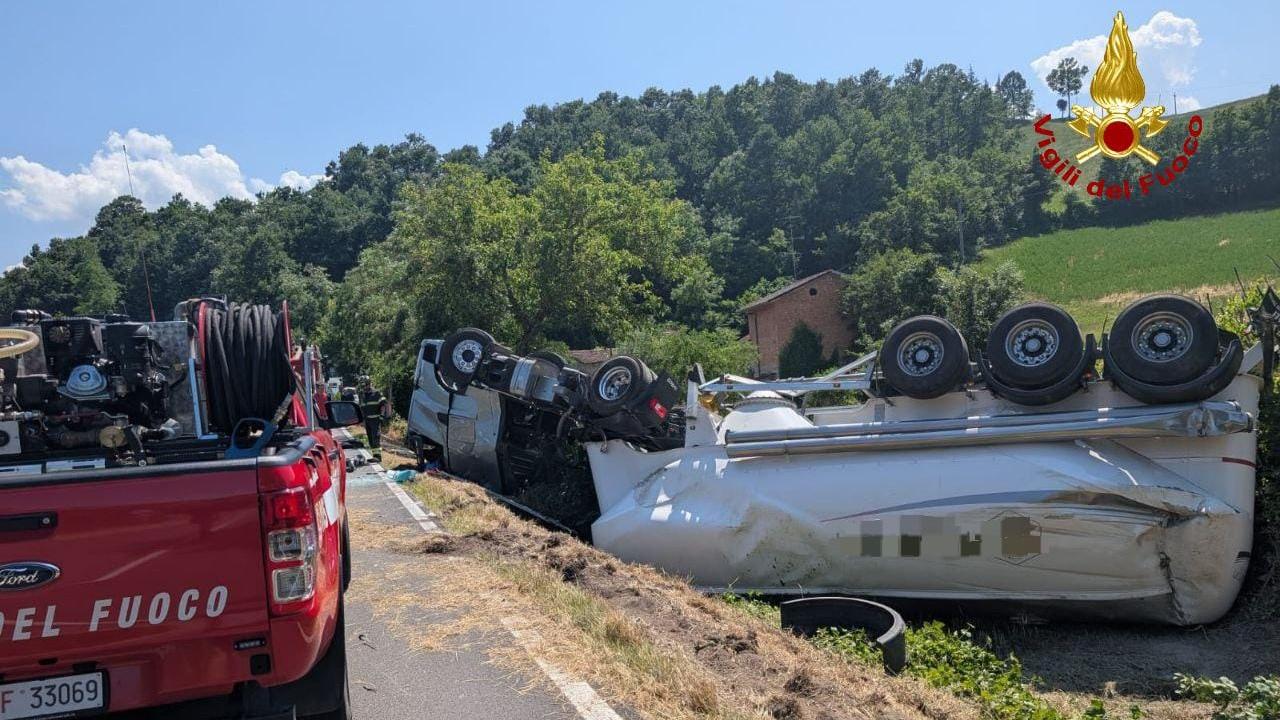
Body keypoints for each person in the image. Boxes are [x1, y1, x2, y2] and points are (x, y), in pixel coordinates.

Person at [359, 376, 391, 461]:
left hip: (375, 420)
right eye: (363, 385)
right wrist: (362, 420)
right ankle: (375, 456)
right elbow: (361, 408)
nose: (364, 387)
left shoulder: (376, 393)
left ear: (369, 383)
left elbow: (384, 405)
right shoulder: (362, 395)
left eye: (365, 385)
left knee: (375, 437)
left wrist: (382, 416)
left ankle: (378, 457)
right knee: (370, 438)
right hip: (367, 420)